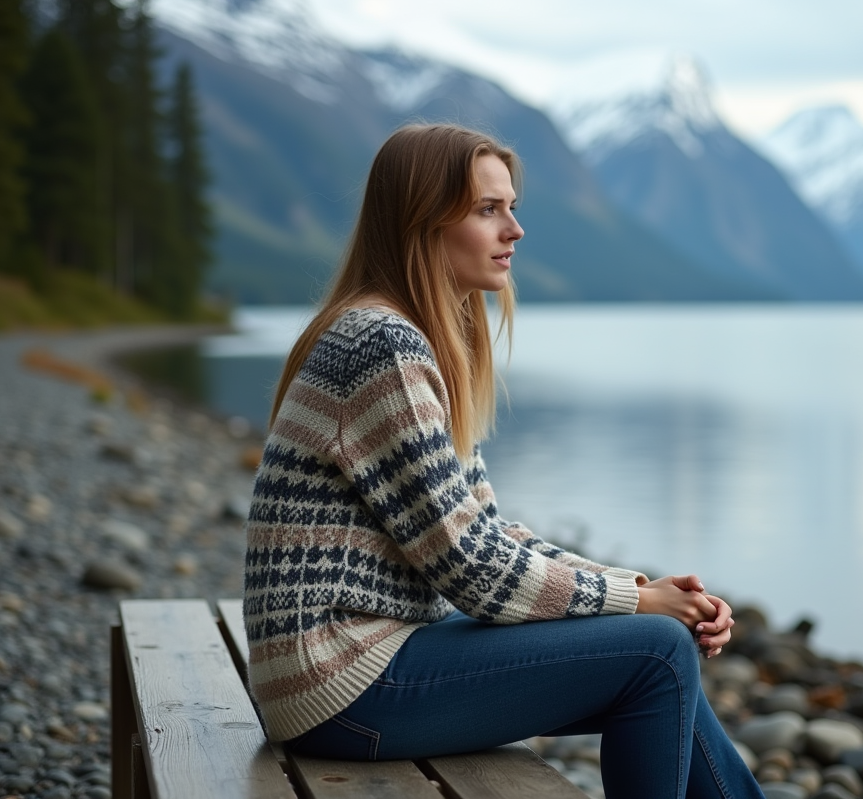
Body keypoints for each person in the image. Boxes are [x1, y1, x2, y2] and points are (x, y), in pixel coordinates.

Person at [244, 123, 765, 799]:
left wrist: (647, 591)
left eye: (512, 207)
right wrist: (642, 603)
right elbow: (472, 569)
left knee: (659, 656)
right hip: (339, 687)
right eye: (489, 210)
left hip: (348, 669)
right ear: (421, 221)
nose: (515, 230)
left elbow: (490, 532)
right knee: (658, 653)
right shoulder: (381, 345)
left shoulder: (409, 338)